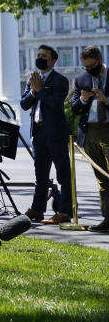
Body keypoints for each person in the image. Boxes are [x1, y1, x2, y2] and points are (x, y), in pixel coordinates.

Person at [20, 44, 72, 224]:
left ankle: (64, 212)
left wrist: (40, 90)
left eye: (44, 56)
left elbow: (56, 104)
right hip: (38, 133)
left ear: (53, 60)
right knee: (40, 175)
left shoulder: (60, 80)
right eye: (39, 55)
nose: (40, 58)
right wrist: (34, 91)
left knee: (63, 174)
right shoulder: (33, 79)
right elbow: (24, 104)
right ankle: (37, 209)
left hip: (56, 133)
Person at [70, 45, 109, 232]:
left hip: (107, 128)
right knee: (102, 179)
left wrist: (106, 100)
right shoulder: (81, 79)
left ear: (99, 59)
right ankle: (107, 218)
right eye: (86, 66)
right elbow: (75, 107)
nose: (89, 69)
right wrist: (84, 99)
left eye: (92, 65)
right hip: (90, 131)